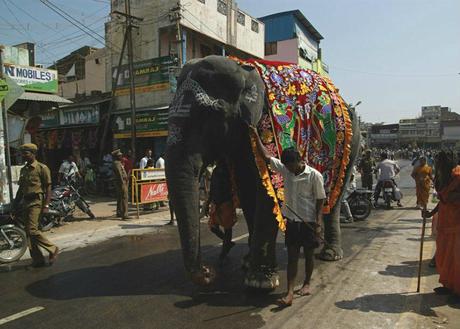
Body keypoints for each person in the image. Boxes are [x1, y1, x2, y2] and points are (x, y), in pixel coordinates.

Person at [250, 126, 325, 307]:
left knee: (308, 256)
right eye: (287, 167)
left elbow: (320, 200)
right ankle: (290, 291)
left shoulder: (314, 176)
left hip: (308, 221)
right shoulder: (286, 171)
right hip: (291, 222)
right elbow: (266, 157)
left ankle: (307, 283)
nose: (290, 170)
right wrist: (254, 136)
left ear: (300, 161)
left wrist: (318, 224)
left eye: (292, 166)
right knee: (292, 257)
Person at [12, 143, 59, 267]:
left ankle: (53, 248)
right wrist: (14, 205)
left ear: (33, 154)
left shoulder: (42, 168)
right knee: (28, 233)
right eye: (22, 153)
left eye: (26, 153)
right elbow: (20, 190)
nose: (23, 156)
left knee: (33, 230)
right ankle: (37, 260)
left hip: (37, 202)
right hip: (25, 202)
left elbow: (48, 187)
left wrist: (46, 205)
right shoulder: (24, 170)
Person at [423, 151, 460, 299]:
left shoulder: (457, 175)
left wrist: (454, 197)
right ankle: (449, 285)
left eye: (441, 163)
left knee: (457, 259)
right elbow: (443, 200)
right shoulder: (444, 178)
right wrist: (431, 213)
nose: (438, 166)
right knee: (444, 256)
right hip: (445, 223)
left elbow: (450, 198)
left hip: (457, 224)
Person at [207, 160, 237, 260]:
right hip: (216, 203)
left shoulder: (229, 170)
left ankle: (224, 252)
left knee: (227, 228)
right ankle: (227, 242)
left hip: (226, 202)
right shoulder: (215, 171)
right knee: (212, 227)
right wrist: (208, 202)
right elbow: (212, 188)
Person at [112, 149, 131, 220]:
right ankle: (125, 214)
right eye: (120, 155)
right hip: (121, 182)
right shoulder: (117, 163)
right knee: (124, 197)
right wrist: (123, 182)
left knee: (120, 198)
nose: (121, 156)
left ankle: (119, 212)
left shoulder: (118, 162)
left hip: (121, 182)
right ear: (117, 156)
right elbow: (119, 174)